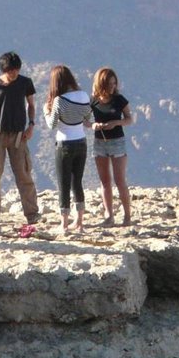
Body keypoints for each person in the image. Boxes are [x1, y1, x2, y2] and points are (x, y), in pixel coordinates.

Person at [0, 52, 41, 224]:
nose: (14, 74)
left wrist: (32, 124)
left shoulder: (25, 83)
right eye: (11, 71)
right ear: (4, 70)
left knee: (24, 175)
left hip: (19, 135)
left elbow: (31, 105)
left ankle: (32, 214)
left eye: (16, 70)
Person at [43, 65, 93, 233]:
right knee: (77, 182)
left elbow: (52, 125)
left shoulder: (59, 101)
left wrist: (45, 111)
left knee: (63, 183)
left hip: (64, 143)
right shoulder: (84, 95)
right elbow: (87, 117)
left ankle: (64, 224)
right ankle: (80, 223)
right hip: (81, 142)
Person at [91, 67, 135, 226]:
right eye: (109, 83)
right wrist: (94, 125)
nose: (112, 86)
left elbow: (130, 119)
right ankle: (109, 216)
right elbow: (85, 121)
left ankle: (127, 216)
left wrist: (116, 123)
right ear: (101, 83)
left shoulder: (119, 100)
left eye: (114, 83)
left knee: (119, 180)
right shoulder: (93, 101)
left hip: (117, 142)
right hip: (99, 143)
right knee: (105, 181)